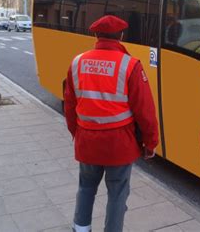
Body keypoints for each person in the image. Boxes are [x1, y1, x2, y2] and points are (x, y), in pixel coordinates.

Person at [64, 15, 159, 232]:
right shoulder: (130, 65)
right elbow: (145, 111)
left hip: (87, 140)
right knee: (117, 193)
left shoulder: (77, 62)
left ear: (96, 35)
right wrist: (150, 143)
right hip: (119, 144)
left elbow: (69, 106)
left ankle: (80, 229)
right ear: (121, 36)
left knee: (86, 188)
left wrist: (77, 134)